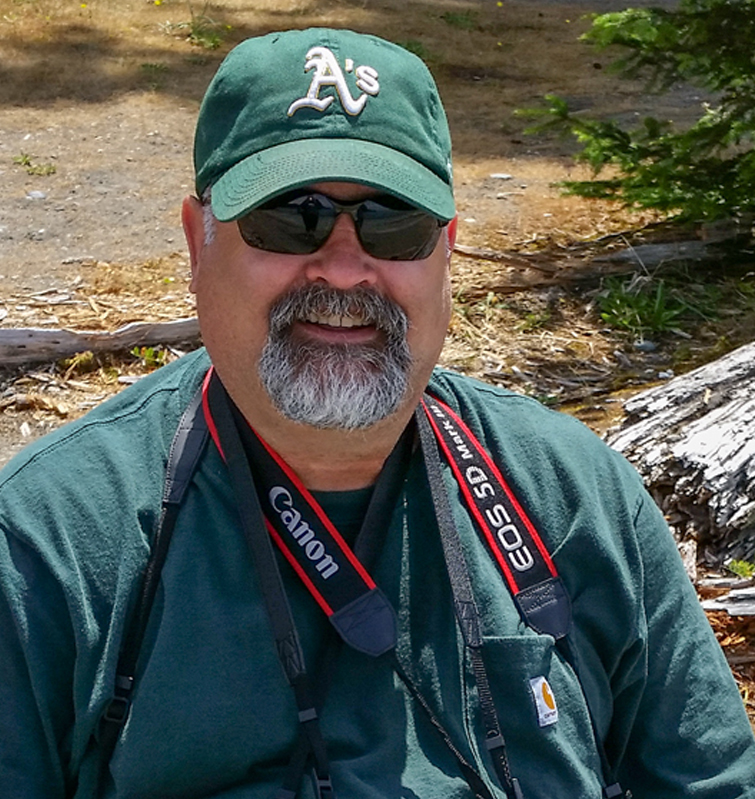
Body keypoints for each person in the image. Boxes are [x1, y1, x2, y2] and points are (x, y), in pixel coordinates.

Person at [0, 27, 753, 799]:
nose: (344, 266)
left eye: (394, 221)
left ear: (447, 250)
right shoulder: (49, 542)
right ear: (199, 240)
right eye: (291, 216)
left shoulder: (571, 496)